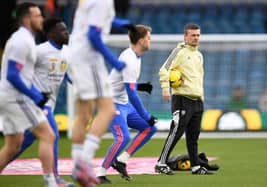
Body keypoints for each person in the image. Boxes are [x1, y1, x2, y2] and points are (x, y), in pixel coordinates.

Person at [68, 1, 134, 186]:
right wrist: (114, 61)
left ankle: (76, 163)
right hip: (90, 60)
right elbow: (94, 35)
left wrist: (118, 23)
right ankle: (85, 162)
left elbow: (92, 22)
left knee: (84, 114)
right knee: (108, 110)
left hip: (75, 55)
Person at [7, 17, 73, 187]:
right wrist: (33, 94)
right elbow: (20, 72)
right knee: (53, 135)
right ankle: (55, 179)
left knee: (21, 142)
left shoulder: (66, 52)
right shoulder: (39, 51)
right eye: (63, 30)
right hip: (35, 102)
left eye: (67, 29)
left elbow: (64, 72)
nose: (67, 33)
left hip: (48, 103)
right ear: (51, 34)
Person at [0, 3, 58, 187]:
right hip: (15, 97)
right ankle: (51, 183)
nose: (42, 19)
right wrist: (35, 95)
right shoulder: (22, 41)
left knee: (13, 146)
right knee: (48, 135)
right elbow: (12, 74)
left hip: (9, 96)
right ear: (27, 18)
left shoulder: (23, 39)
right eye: (38, 16)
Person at [96, 25, 157, 184]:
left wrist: (140, 86)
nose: (151, 41)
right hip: (110, 103)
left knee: (150, 128)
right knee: (123, 137)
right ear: (142, 40)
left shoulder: (136, 56)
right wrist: (146, 116)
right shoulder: (129, 59)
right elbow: (131, 94)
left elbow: (126, 85)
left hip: (122, 103)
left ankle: (121, 160)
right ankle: (100, 173)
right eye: (149, 38)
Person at [155, 23, 213, 175]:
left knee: (193, 136)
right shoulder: (179, 51)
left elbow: (199, 78)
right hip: (182, 98)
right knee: (176, 132)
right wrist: (166, 89)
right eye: (193, 35)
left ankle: (195, 166)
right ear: (185, 36)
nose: (196, 38)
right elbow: (164, 69)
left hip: (197, 100)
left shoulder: (199, 55)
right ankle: (161, 163)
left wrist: (201, 98)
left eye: (198, 35)